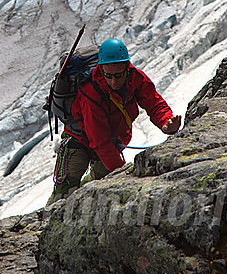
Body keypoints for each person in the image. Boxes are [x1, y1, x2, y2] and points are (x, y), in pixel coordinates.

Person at [48, 38, 182, 204]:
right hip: (79, 139)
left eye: (118, 75)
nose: (114, 81)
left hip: (111, 140)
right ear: (101, 69)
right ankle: (45, 224)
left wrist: (166, 122)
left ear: (127, 66)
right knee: (65, 191)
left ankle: (80, 199)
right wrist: (122, 173)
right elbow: (99, 140)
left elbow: (153, 103)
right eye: (108, 76)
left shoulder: (136, 79)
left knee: (100, 181)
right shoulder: (91, 92)